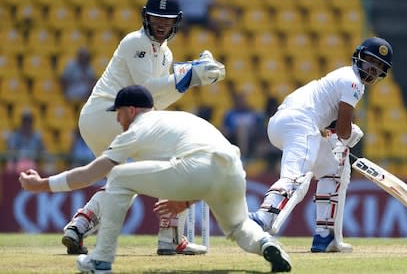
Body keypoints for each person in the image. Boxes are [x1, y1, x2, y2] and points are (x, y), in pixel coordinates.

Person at [18, 85, 292, 273]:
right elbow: (210, 167)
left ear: (132, 110)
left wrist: (42, 185)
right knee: (239, 227)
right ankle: (267, 244)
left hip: (198, 167)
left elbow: (92, 172)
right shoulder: (179, 119)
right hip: (232, 167)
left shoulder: (138, 129)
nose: (118, 120)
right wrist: (186, 199)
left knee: (119, 175)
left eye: (119, 112)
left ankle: (101, 259)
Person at [60, 0, 226, 256]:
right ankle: (171, 238)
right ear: (145, 17)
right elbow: (146, 87)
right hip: (111, 114)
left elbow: (154, 100)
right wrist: (188, 74)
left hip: (105, 120)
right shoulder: (135, 42)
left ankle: (79, 225)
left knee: (125, 183)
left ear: (176, 21)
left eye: (167, 19)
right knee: (180, 157)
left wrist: (192, 79)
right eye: (156, 18)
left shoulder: (165, 53)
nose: (161, 24)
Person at [248, 37, 394, 253]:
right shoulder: (352, 82)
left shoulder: (345, 77)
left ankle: (325, 237)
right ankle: (261, 219)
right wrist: (350, 133)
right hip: (300, 122)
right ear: (359, 57)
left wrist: (339, 133)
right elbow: (343, 130)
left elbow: (332, 125)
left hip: (289, 123)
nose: (373, 69)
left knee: (334, 169)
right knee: (296, 176)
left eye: (380, 67)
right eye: (371, 61)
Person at [222, 92, 264, 159]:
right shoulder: (230, 114)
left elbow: (259, 125)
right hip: (234, 138)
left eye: (242, 100)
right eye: (239, 100)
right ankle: (243, 156)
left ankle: (246, 156)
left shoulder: (252, 112)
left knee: (244, 129)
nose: (241, 102)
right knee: (242, 129)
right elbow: (225, 128)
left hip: (252, 137)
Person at [5, 110, 45, 175]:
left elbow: (43, 151)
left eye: (29, 122)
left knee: (32, 166)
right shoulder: (15, 136)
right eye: (25, 122)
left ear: (32, 123)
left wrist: (37, 155)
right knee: (10, 165)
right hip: (18, 161)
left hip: (33, 161)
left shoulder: (36, 137)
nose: (27, 124)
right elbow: (11, 151)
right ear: (22, 123)